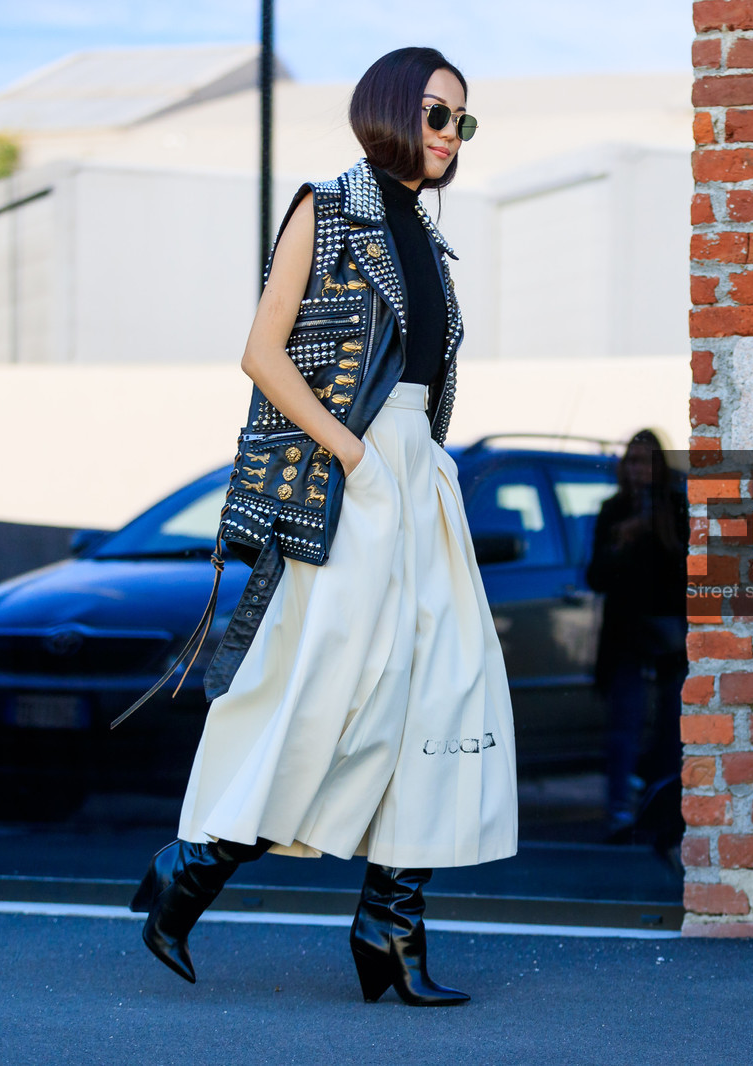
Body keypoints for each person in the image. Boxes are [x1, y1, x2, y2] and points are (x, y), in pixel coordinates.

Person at [128, 48, 515, 1007]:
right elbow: (262, 351)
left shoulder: (427, 237)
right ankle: (190, 870)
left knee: (445, 695)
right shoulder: (325, 205)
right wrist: (351, 453)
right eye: (437, 114)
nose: (449, 136)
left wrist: (418, 462)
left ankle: (391, 927)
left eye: (462, 122)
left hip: (418, 477)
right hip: (351, 478)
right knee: (328, 694)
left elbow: (419, 375)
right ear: (390, 106)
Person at [584, 429, 690, 840]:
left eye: (646, 462)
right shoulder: (614, 511)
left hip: (667, 635)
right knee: (623, 727)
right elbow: (596, 576)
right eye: (632, 461)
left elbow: (684, 575)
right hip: (626, 635)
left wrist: (660, 534)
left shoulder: (676, 508)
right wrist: (621, 540)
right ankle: (620, 815)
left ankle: (662, 811)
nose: (638, 470)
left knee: (671, 728)